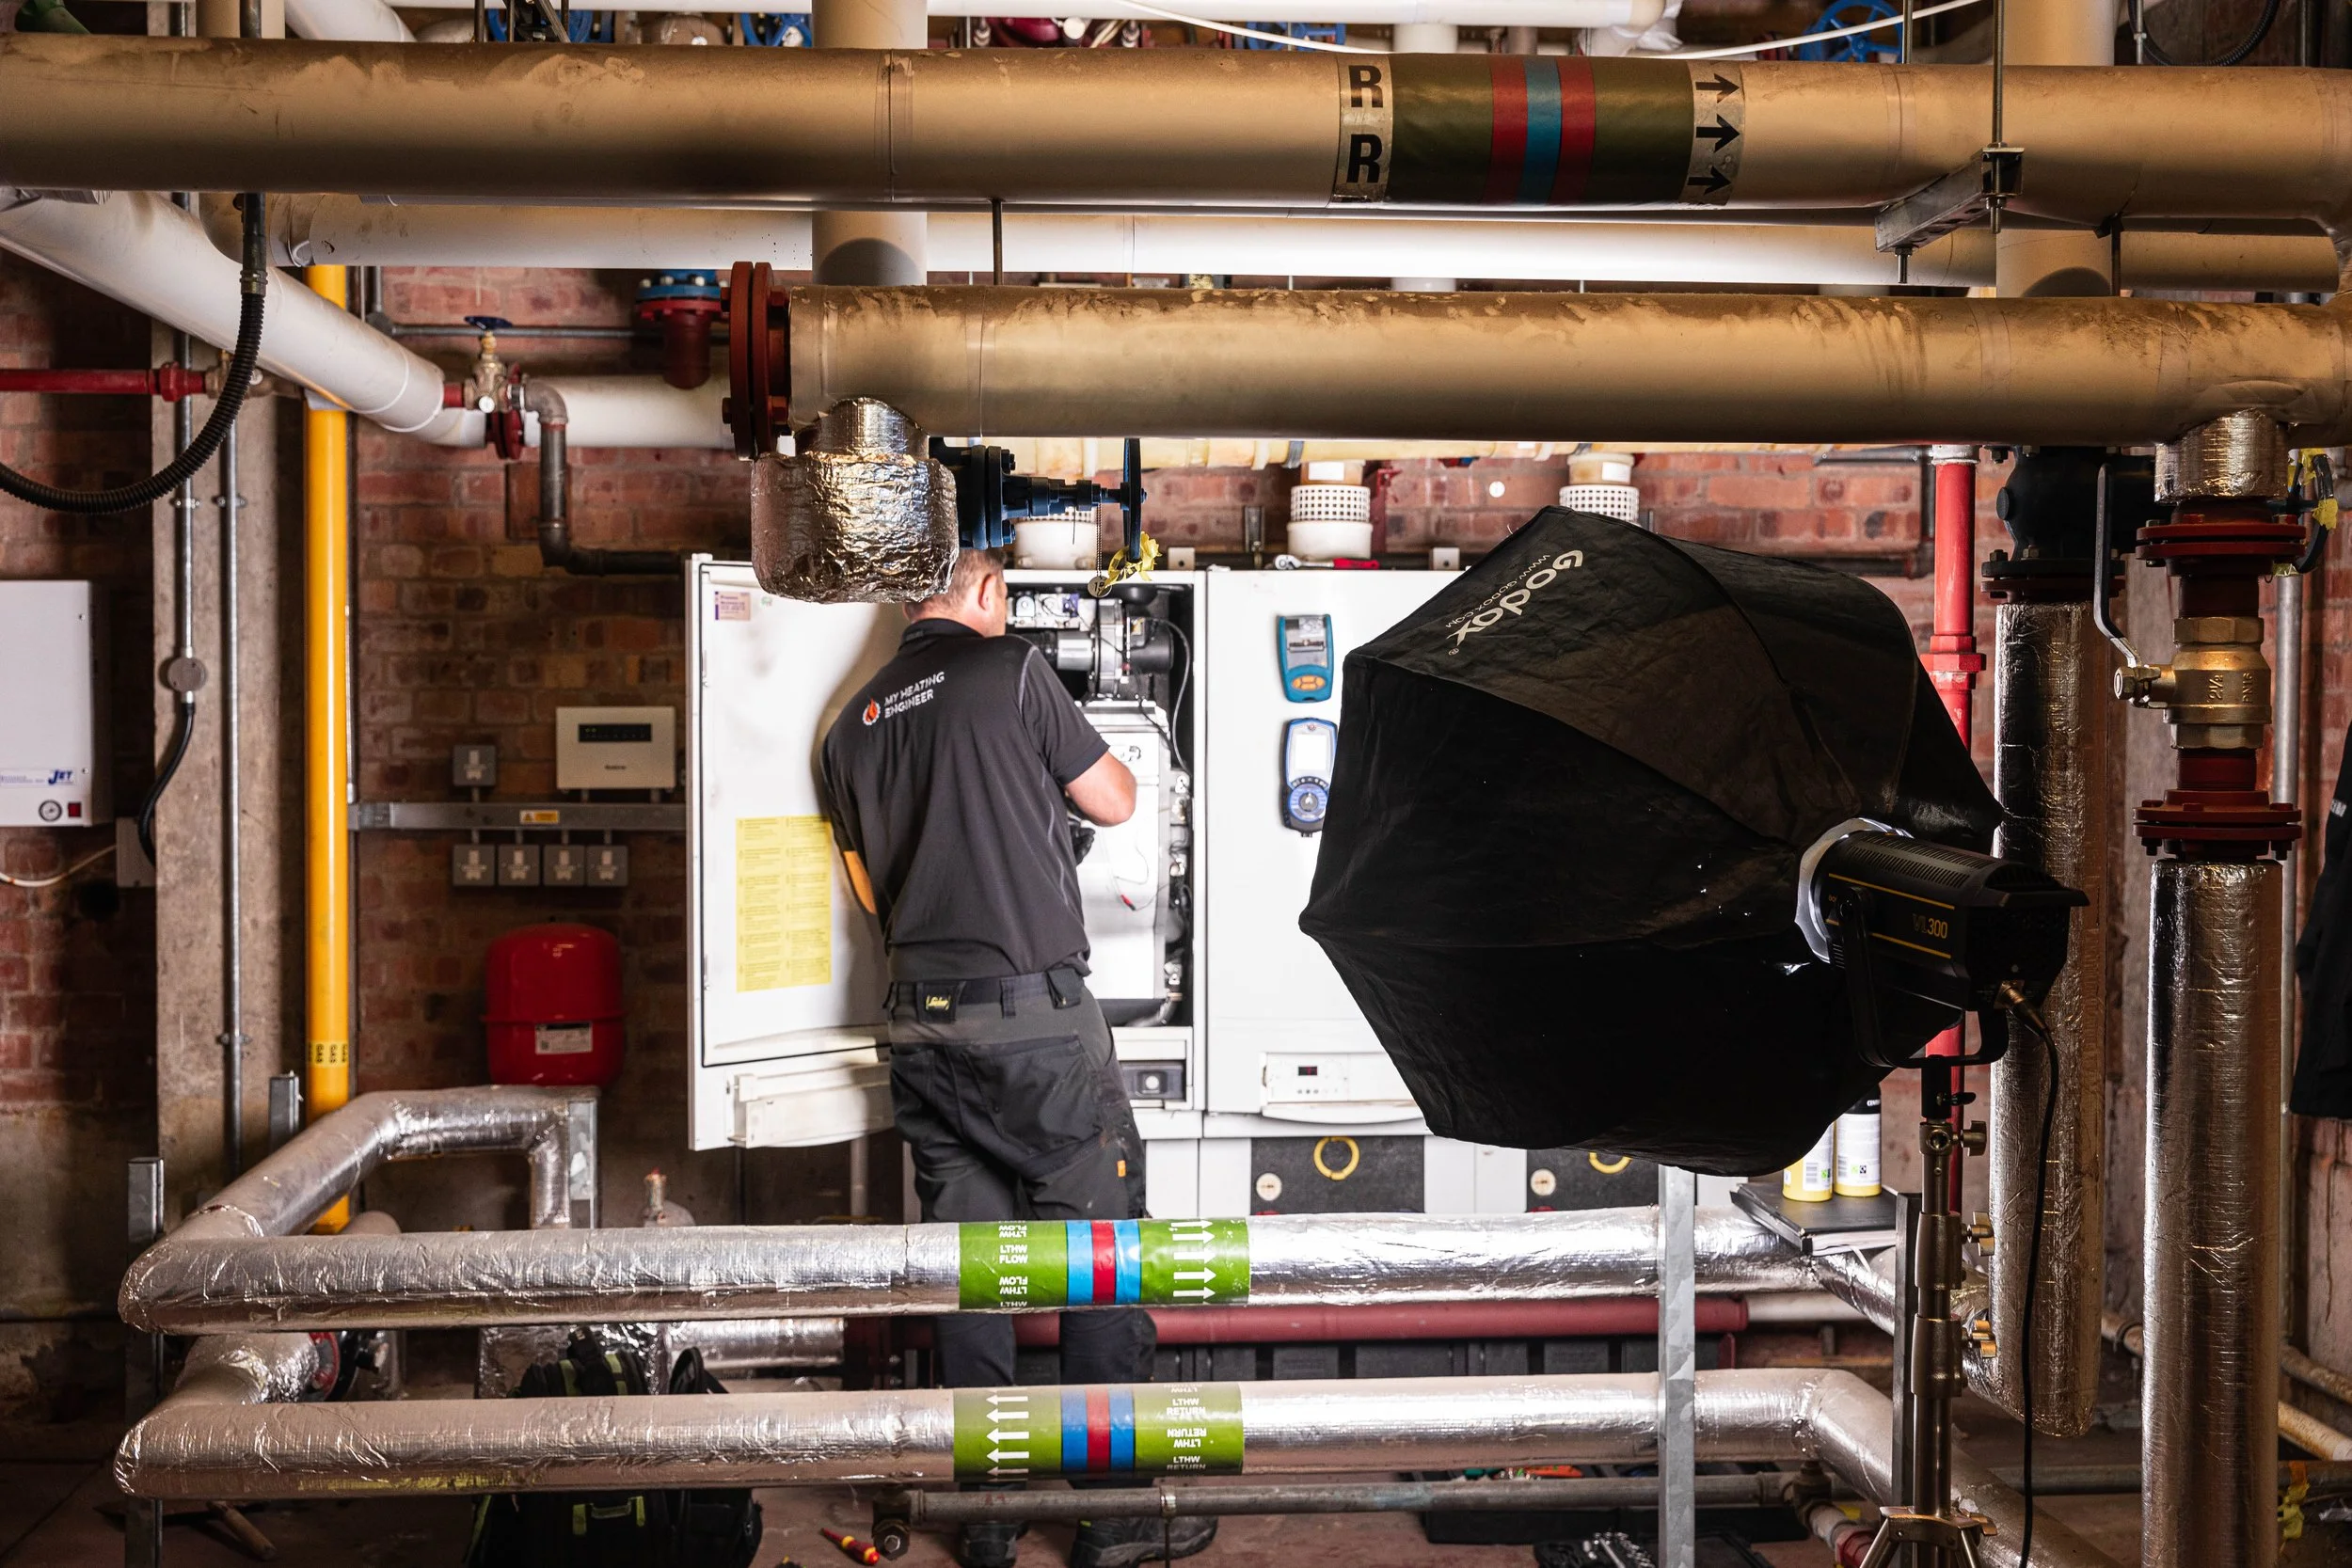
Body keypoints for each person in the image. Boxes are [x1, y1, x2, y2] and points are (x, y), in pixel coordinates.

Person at [821, 549, 1216, 1568]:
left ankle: (984, 1517)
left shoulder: (848, 726)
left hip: (919, 1023)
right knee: (1100, 1259)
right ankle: (1116, 1518)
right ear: (987, 593)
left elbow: (870, 895)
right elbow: (1119, 800)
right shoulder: (1014, 671)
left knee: (977, 1270)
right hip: (1033, 1023)